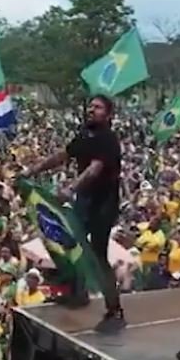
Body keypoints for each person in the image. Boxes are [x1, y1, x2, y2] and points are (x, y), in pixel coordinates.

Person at [22, 95, 125, 333]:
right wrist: (34, 170)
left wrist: (71, 189)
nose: (91, 110)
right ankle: (77, 294)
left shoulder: (108, 139)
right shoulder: (84, 135)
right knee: (67, 241)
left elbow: (94, 170)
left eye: (97, 107)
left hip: (104, 202)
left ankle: (114, 308)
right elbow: (62, 156)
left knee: (99, 254)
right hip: (86, 200)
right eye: (90, 106)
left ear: (108, 114)